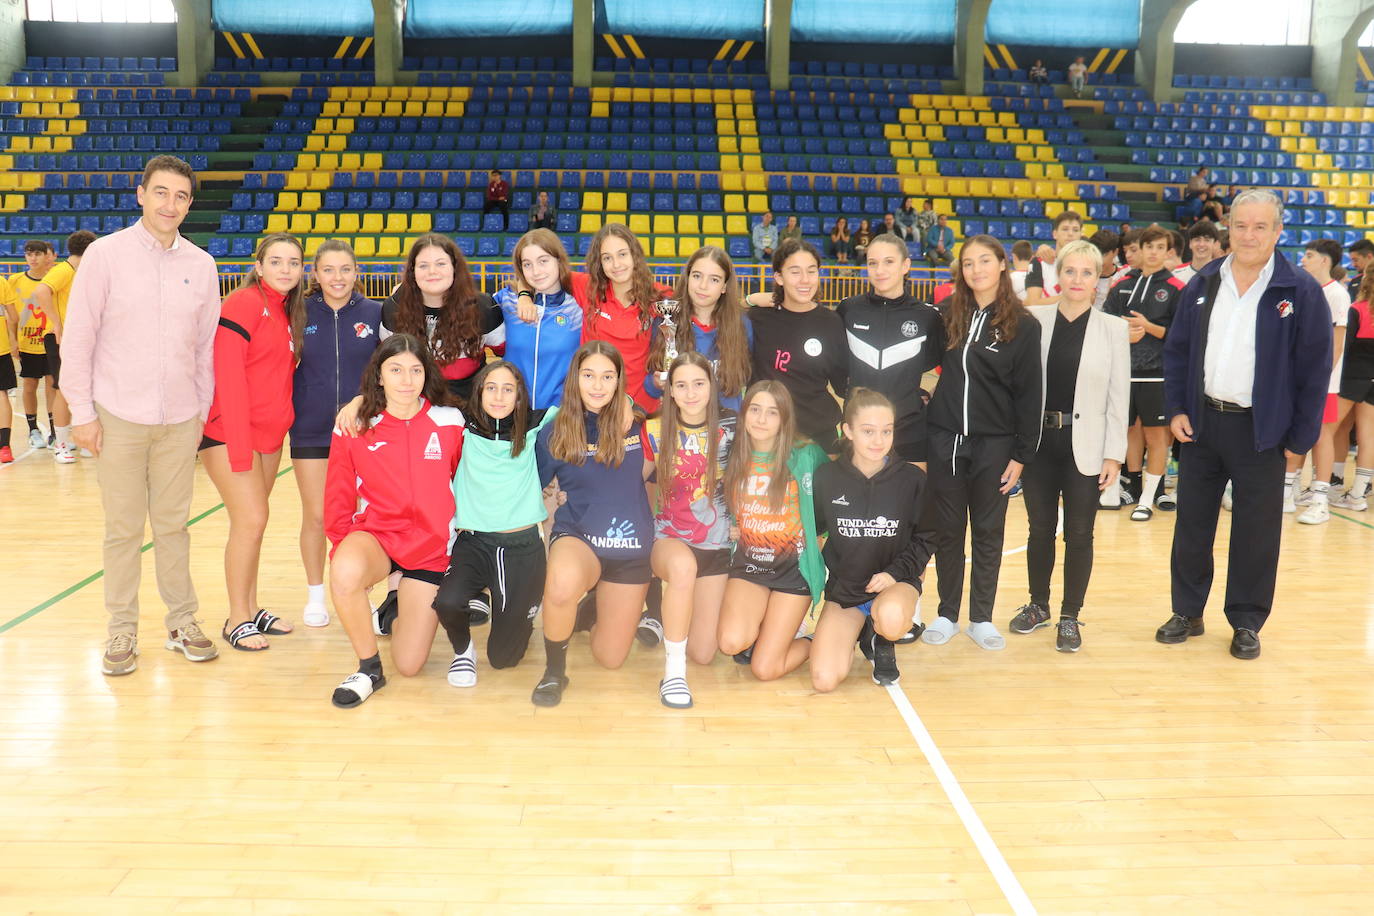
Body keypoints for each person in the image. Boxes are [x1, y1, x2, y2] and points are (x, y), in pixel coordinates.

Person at [62, 155, 222, 676]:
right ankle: (121, 631)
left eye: (179, 196)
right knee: (124, 529)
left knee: (174, 526)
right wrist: (82, 414)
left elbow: (203, 349)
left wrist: (199, 411)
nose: (169, 204)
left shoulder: (201, 265)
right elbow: (79, 339)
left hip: (179, 419)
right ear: (140, 194)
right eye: (160, 192)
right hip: (118, 417)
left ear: (189, 204)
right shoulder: (105, 257)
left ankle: (181, 622)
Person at [1158, 189, 1330, 660]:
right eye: (1240, 225)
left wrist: (1299, 438)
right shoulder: (1203, 282)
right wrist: (1176, 409)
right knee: (1192, 525)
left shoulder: (1301, 291)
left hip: (1262, 432)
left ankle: (1247, 620)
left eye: (1260, 226)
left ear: (1278, 231)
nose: (1249, 235)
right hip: (1201, 426)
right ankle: (1187, 611)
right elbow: (1177, 353)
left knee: (1256, 533)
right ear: (1226, 229)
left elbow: (1315, 371)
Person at [323, 334, 464, 708]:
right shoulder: (355, 423)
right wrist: (341, 550)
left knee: (411, 664)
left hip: (430, 550)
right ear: (379, 376)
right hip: (378, 536)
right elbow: (338, 493)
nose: (406, 379)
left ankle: (397, 599)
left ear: (426, 374)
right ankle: (369, 668)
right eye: (396, 370)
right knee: (346, 572)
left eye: (415, 370)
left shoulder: (450, 422)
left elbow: (466, 484)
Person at [922, 235, 1043, 651]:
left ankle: (981, 618)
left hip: (995, 446)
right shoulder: (945, 315)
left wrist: (1022, 455)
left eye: (984, 261)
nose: (976, 270)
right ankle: (946, 612)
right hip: (945, 441)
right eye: (968, 263)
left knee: (988, 531)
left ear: (1002, 266)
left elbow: (1031, 395)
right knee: (949, 531)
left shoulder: (1024, 326)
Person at [1010, 240, 1130, 651]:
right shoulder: (1033, 319)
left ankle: (1070, 615)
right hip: (1040, 442)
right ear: (1057, 275)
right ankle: (1037, 605)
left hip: (1088, 446)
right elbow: (1019, 386)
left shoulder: (1113, 329)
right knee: (1039, 529)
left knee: (1080, 534)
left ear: (1099, 280)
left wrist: (1114, 453)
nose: (1078, 280)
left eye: (1087, 273)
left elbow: (1119, 397)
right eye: (1070, 271)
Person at [532, 341, 655, 708]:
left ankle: (589, 609)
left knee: (611, 658)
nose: (598, 385)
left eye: (607, 376)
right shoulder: (554, 432)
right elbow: (531, 491)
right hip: (579, 536)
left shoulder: (638, 424)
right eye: (589, 376)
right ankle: (555, 671)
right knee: (561, 583)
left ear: (619, 381)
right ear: (575, 379)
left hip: (630, 551)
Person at [200, 233, 305, 651]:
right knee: (251, 520)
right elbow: (227, 375)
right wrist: (241, 449)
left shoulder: (285, 311)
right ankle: (237, 618)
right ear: (258, 267)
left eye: (293, 262)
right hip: (230, 434)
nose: (285, 269)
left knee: (253, 525)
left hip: (269, 437)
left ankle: (252, 605)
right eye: (276, 261)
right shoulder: (243, 303)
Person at [433, 360, 557, 688]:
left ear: (519, 397)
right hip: (475, 542)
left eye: (507, 389)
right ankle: (464, 649)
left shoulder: (534, 424)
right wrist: (359, 400)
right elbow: (411, 400)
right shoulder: (461, 423)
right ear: (479, 392)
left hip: (522, 549)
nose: (499, 396)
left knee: (504, 659)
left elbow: (584, 406)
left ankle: (517, 609)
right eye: (491, 388)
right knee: (446, 602)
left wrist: (628, 403)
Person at [810, 389, 933, 690]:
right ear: (847, 430)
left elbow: (927, 538)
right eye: (868, 431)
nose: (878, 441)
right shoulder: (827, 478)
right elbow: (812, 529)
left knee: (890, 618)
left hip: (895, 584)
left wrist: (894, 574)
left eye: (886, 431)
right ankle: (862, 632)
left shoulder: (911, 479)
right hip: (848, 590)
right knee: (824, 680)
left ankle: (882, 638)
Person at [289, 240, 381, 627]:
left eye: (345, 269)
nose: (337, 277)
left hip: (364, 429)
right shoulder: (298, 311)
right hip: (310, 427)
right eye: (328, 270)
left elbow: (388, 369)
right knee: (316, 516)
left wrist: (364, 401)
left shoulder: (377, 313)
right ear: (315, 274)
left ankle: (363, 593)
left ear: (357, 272)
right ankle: (315, 595)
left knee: (365, 517)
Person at [716, 381, 827, 681]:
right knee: (730, 642)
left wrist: (823, 536)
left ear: (784, 419)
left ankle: (815, 640)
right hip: (749, 566)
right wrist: (727, 527)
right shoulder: (731, 456)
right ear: (744, 413)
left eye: (772, 413)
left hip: (794, 572)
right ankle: (764, 628)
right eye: (755, 410)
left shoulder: (806, 456)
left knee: (765, 670)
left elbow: (837, 494)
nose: (761, 420)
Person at [643, 353, 737, 707]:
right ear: (669, 391)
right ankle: (674, 673)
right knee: (682, 569)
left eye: (699, 384)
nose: (691, 392)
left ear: (712, 387)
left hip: (715, 546)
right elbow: (633, 481)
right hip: (669, 539)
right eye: (681, 385)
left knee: (704, 651)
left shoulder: (733, 428)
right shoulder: (655, 429)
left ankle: (673, 628)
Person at [835, 233, 945, 467]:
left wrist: (928, 395)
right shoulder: (848, 310)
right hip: (859, 429)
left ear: (906, 265)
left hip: (910, 432)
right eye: (872, 263)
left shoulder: (927, 317)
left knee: (911, 501)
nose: (879, 270)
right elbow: (836, 363)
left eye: (888, 262)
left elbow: (947, 365)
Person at [1103, 225, 1185, 520]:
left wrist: (1149, 327)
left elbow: (1181, 335)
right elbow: (1104, 323)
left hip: (1158, 374)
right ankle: (1134, 488)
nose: (1153, 252)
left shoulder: (1176, 288)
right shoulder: (1122, 283)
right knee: (1128, 432)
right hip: (1124, 373)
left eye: (1160, 247)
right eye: (1148, 246)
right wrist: (1122, 333)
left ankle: (1148, 499)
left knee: (1156, 436)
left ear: (1168, 252)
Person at [747, 238, 848, 452]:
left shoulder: (832, 322)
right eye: (795, 272)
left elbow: (843, 384)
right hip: (766, 439)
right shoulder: (757, 318)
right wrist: (749, 299)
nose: (805, 280)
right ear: (779, 277)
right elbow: (715, 309)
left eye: (811, 271)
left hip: (818, 439)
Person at [381, 234, 503, 407]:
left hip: (470, 409)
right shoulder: (393, 308)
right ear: (412, 271)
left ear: (454, 268)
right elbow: (386, 364)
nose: (432, 271)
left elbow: (510, 356)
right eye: (423, 265)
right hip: (413, 407)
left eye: (441, 263)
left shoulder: (483, 307)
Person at [573, 223, 673, 414]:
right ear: (599, 263)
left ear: (634, 255)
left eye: (622, 254)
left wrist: (747, 300)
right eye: (607, 258)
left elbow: (707, 300)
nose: (616, 264)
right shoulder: (587, 287)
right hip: (594, 407)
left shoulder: (659, 296)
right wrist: (524, 296)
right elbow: (538, 273)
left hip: (640, 410)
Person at [645, 245, 753, 412]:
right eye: (697, 276)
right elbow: (649, 384)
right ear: (687, 278)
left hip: (727, 428)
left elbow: (748, 376)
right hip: (679, 427)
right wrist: (655, 382)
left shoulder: (742, 325)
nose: (703, 286)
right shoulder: (665, 321)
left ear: (724, 286)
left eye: (714, 279)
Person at [1293, 241, 1352, 525]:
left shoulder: (1337, 294)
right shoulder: (1305, 290)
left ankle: (1320, 501)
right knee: (1299, 434)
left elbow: (1336, 345)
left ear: (1325, 261)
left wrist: (1319, 379)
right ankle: (1291, 492)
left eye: (1309, 255)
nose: (1303, 260)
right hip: (1301, 377)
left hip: (1324, 382)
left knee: (1321, 435)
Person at [27, 229, 98, 463]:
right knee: (63, 390)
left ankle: (80, 440)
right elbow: (40, 290)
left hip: (80, 337)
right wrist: (56, 323)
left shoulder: (82, 271)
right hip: (60, 338)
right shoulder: (64, 270)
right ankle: (61, 443)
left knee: (84, 389)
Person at [496, 228, 584, 409]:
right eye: (527, 264)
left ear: (558, 261)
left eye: (543, 261)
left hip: (561, 417)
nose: (536, 271)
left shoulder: (577, 308)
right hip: (514, 413)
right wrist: (523, 294)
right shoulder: (507, 301)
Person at [1328, 265, 1374, 513]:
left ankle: (1328, 485)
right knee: (1368, 437)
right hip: (1373, 382)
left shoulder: (1356, 310)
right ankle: (1357, 495)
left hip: (1351, 378)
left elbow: (1345, 347)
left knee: (1329, 431)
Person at [12, 240, 56, 452]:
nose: (33, 258)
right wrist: (12, 340)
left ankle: (56, 431)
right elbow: (9, 315)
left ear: (47, 256)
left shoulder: (54, 279)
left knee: (52, 385)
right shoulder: (15, 280)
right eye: (29, 253)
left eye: (38, 253)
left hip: (50, 341)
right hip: (27, 342)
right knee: (29, 384)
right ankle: (33, 430)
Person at [1025, 210, 1084, 306]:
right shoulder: (1039, 262)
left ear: (1080, 235)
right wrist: (1072, 297)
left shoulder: (1087, 264)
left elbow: (1090, 298)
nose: (1070, 234)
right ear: (1055, 234)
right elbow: (1033, 303)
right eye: (1065, 229)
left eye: (1075, 230)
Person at [0, 278, 17, 462]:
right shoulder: (1, 282)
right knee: (1, 394)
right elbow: (14, 317)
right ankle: (4, 446)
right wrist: (12, 338)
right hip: (1, 348)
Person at [1174, 220, 1221, 285]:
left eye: (1207, 240)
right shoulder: (1176, 276)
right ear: (1190, 243)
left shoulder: (1222, 276)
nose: (1201, 244)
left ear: (1215, 245)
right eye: (1197, 240)